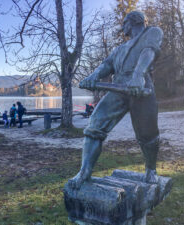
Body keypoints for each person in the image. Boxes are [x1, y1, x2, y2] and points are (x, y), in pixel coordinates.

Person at [69, 11, 163, 189]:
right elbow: (106, 65)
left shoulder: (152, 32)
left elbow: (149, 51)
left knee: (147, 135)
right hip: (119, 88)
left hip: (141, 88)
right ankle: (84, 172)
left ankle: (151, 170)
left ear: (135, 21)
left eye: (125, 23)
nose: (122, 27)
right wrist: (93, 76)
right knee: (94, 126)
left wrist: (138, 75)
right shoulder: (120, 49)